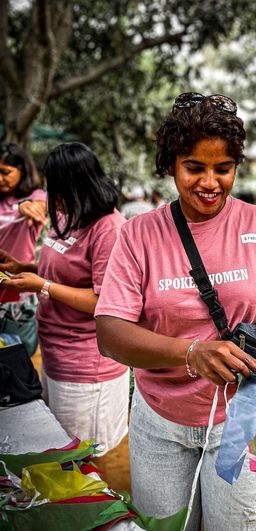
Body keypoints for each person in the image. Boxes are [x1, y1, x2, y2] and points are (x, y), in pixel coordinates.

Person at [95, 92, 256, 531]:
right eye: (194, 167)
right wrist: (191, 353)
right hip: (160, 424)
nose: (210, 182)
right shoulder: (137, 234)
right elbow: (111, 332)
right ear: (171, 165)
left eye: (224, 168)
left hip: (242, 422)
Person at [0, 142, 129, 464]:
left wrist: (41, 286)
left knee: (81, 456)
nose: (48, 191)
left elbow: (105, 300)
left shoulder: (108, 228)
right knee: (61, 446)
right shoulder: (68, 214)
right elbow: (67, 274)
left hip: (87, 365)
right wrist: (24, 267)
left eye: (53, 183)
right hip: (57, 353)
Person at [0, 143, 48, 356]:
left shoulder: (36, 196)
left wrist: (24, 206)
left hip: (18, 294)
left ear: (23, 170)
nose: (0, 178)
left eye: (5, 172)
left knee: (18, 359)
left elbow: (39, 205)